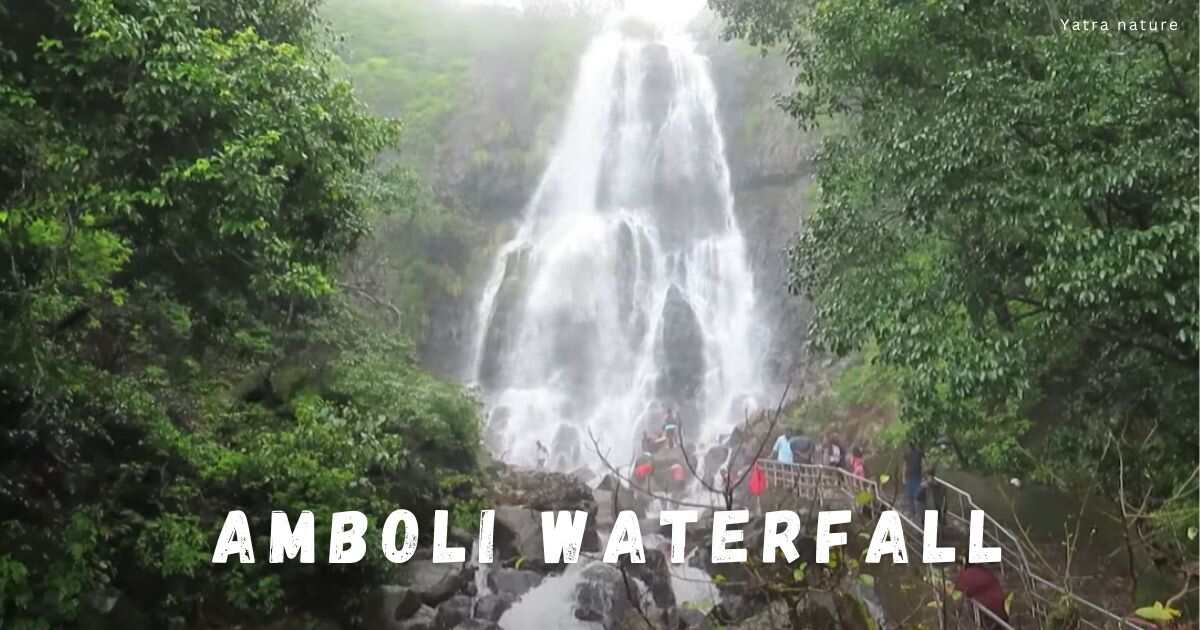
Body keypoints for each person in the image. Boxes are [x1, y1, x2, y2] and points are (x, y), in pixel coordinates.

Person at [955, 560, 1009, 628]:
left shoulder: (967, 574)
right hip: (999, 608)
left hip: (988, 610)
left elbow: (962, 591)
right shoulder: (985, 571)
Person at [904, 442, 924, 515]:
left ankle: (915, 512)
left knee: (914, 495)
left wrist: (903, 477)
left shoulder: (918, 453)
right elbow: (905, 465)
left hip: (914, 476)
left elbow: (905, 466)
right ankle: (913, 511)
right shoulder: (909, 454)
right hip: (913, 476)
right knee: (912, 495)